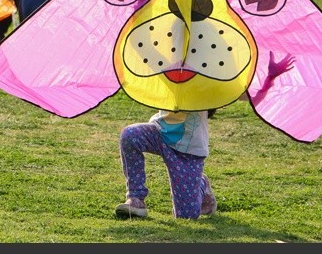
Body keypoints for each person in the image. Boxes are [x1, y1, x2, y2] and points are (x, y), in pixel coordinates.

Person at [115, 53, 294, 219]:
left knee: (186, 217)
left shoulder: (211, 82)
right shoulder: (170, 67)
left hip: (189, 150)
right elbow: (146, 51)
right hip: (159, 132)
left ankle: (201, 185)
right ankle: (135, 199)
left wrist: (270, 78)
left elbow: (251, 98)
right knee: (130, 135)